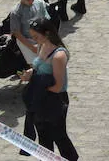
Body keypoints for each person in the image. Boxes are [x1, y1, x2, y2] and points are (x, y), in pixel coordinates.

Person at [22, 17, 78, 160]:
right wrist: (30, 73)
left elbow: (58, 85)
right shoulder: (42, 45)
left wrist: (37, 89)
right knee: (43, 137)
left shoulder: (59, 55)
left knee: (59, 135)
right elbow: (38, 65)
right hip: (41, 97)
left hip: (54, 99)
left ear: (46, 34)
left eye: (36, 36)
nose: (34, 39)